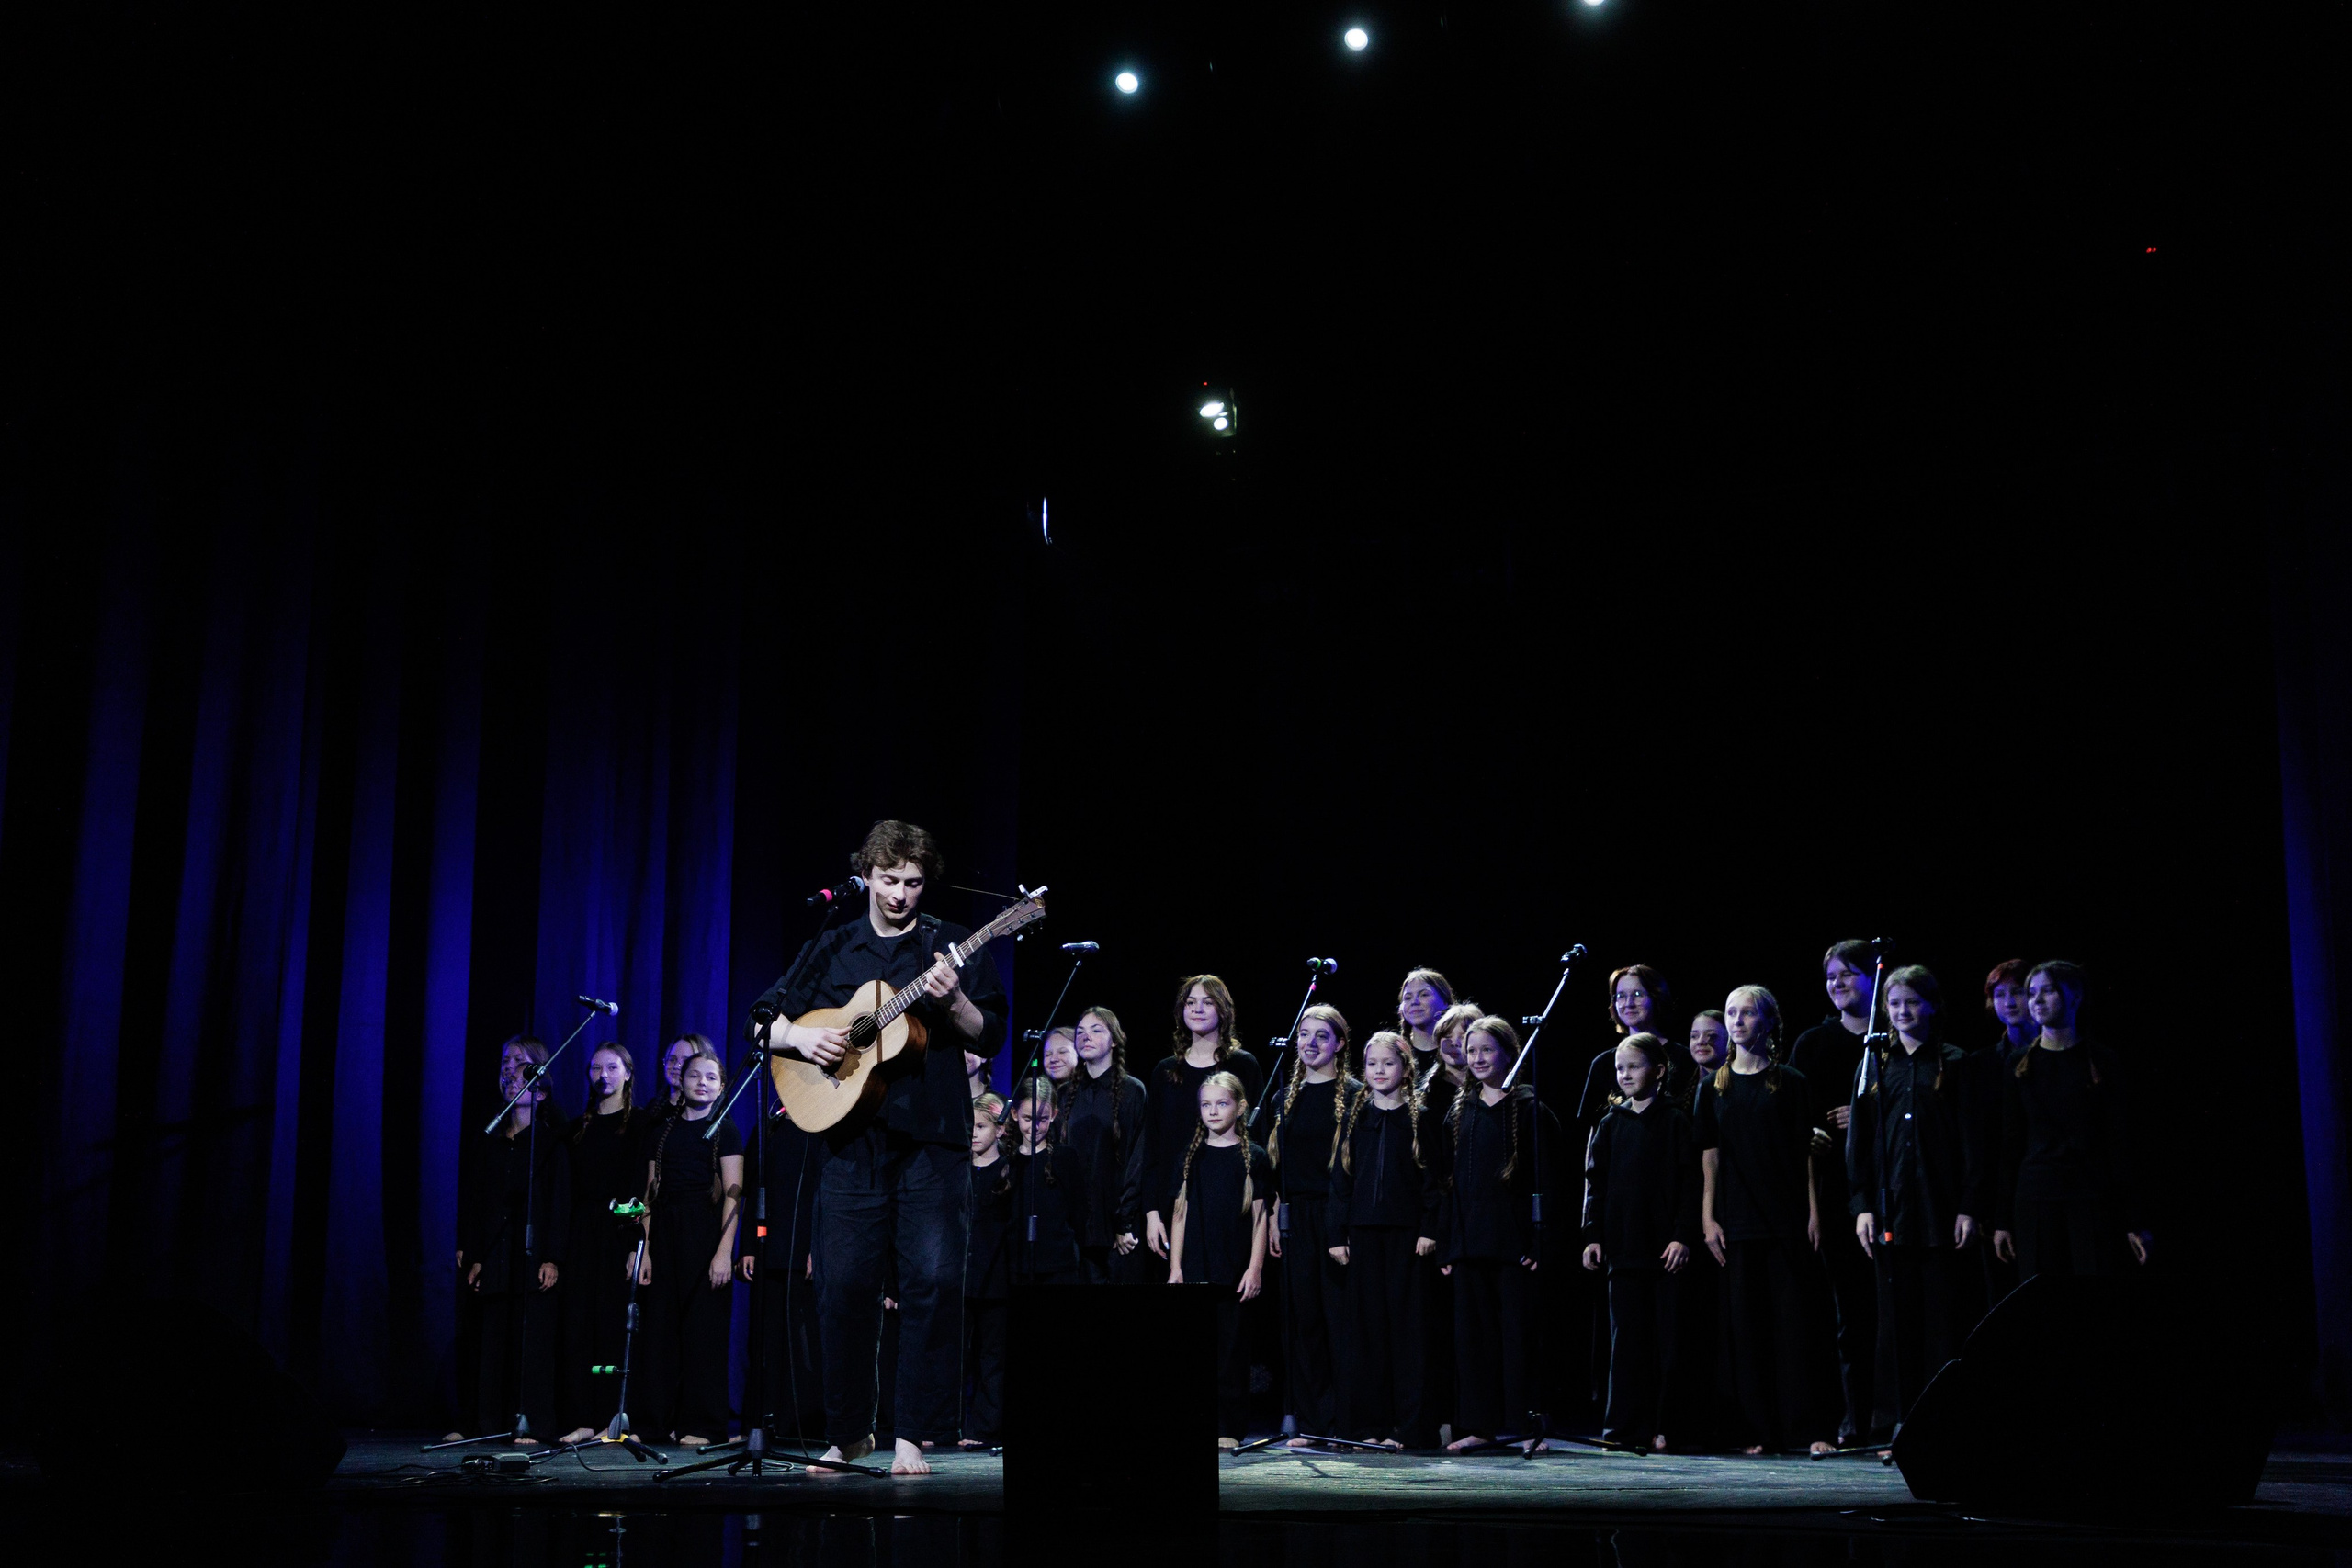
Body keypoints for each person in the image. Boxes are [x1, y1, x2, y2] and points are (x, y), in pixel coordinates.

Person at [752, 819, 1010, 1477]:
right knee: (843, 1286)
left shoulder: (949, 943)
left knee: (930, 1282)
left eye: (913, 882)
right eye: (889, 879)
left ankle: (914, 1435)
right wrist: (802, 1041)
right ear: (866, 874)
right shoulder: (833, 944)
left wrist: (953, 1005)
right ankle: (849, 1431)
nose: (900, 893)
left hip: (933, 1141)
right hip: (847, 1139)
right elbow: (765, 1018)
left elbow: (989, 1035)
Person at [1699, 986, 1835, 1456]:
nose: (1736, 1021)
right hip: (1737, 1221)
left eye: (1747, 1013)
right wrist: (1708, 1217)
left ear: (1769, 1021)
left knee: (1795, 1326)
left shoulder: (1791, 1081)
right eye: (1731, 1012)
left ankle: (1808, 1427)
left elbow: (1806, 1154)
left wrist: (1815, 1211)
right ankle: (1759, 1431)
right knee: (1748, 1330)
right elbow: (1709, 1155)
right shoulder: (1713, 1085)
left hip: (1786, 1219)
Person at [1848, 966, 1980, 1440]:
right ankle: (1894, 1421)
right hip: (1891, 1210)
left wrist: (1968, 1205)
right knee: (1894, 1320)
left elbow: (1971, 1142)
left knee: (1941, 1318)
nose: (1904, 1012)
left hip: (1940, 1210)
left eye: (1913, 1003)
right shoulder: (1875, 1065)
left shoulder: (1956, 1063)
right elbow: (1860, 1143)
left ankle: (1941, 1422)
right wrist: (1862, 1204)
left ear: (1932, 1005)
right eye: (1896, 1004)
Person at [1437, 1016, 1559, 1454]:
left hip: (1513, 1247)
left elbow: (1550, 1183)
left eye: (1487, 1050)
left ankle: (1527, 1425)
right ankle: (1480, 1426)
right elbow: (1447, 1183)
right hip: (1470, 1244)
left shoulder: (1529, 1108)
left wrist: (1537, 1242)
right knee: (1473, 1342)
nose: (1478, 1058)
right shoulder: (1459, 1111)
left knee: (1518, 1339)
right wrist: (1449, 1242)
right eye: (1472, 1052)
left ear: (1509, 1052)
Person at [1991, 961, 2150, 1280]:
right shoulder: (2019, 1063)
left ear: (2074, 996)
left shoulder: (2103, 1061)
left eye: (2047, 991)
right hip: (2036, 1198)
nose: (2036, 1001)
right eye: (2031, 993)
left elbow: (2119, 1141)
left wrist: (2134, 1219)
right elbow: (2010, 1143)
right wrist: (2002, 1219)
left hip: (2090, 1199)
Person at [1581, 1032, 1701, 1452]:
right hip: (1624, 1249)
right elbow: (1595, 1185)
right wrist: (1593, 1236)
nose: (1625, 1074)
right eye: (1620, 1068)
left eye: (1634, 1066)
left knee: (1667, 1343)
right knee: (1626, 1342)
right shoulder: (1612, 1125)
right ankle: (1623, 1429)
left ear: (1659, 1071)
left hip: (1665, 1250)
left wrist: (1682, 1236)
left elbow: (1692, 1183)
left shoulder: (1675, 1121)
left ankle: (1668, 1425)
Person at [1329, 1032, 1442, 1449]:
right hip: (1362, 1236)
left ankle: (1410, 1428)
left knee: (1408, 1334)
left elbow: (1433, 1181)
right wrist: (1336, 1232)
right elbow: (1341, 1180)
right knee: (1368, 1334)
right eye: (1372, 1064)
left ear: (1405, 1068)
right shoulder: (1356, 1118)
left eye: (1388, 1064)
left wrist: (1430, 1228)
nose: (1378, 1071)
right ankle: (1367, 1427)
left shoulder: (1420, 1117)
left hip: (1407, 1238)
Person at [1787, 940, 1878, 1447]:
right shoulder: (1814, 1044)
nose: (1838, 984)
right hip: (1830, 1191)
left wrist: (1862, 1116)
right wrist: (1812, 1134)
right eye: (1831, 977)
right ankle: (1844, 1418)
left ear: (1872, 979)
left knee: (1882, 1311)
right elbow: (1794, 1119)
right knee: (1840, 1314)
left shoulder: (1888, 1043)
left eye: (1848, 975)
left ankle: (1886, 1417)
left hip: (1884, 1191)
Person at [462, 1035, 571, 1443]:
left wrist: (553, 1257)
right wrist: (474, 1254)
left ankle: (532, 1421)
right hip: (495, 1253)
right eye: (506, 1063)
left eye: (520, 1064)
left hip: (533, 1254)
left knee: (533, 1343)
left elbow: (559, 1205)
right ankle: (486, 1424)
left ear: (540, 1089)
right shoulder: (492, 1138)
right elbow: (477, 1201)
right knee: (490, 1343)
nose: (510, 1071)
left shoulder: (549, 1142)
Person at [636, 1042, 743, 1447]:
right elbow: (650, 1193)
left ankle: (703, 1423)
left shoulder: (727, 1130)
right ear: (680, 1080)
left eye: (711, 1077)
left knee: (704, 1334)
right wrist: (644, 1248)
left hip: (705, 1234)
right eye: (695, 1075)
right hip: (665, 1233)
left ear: (721, 1087)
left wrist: (722, 1252)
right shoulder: (662, 1130)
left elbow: (734, 1194)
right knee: (658, 1333)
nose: (702, 1082)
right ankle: (654, 1421)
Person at [1167, 1069, 1273, 1450]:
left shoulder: (1255, 1159)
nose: (1213, 1111)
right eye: (1206, 1105)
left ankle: (1229, 1425)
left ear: (1240, 1107)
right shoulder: (1190, 1156)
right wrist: (1175, 1267)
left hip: (1234, 1267)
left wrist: (1255, 1268)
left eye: (1222, 1104)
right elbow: (1179, 1212)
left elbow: (1261, 1217)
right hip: (1196, 1265)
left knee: (1231, 1351)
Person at [1268, 1003, 1358, 1446]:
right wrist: (1273, 1216)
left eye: (1322, 1036)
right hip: (1295, 1218)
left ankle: (1346, 1420)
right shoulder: (1284, 1094)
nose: (1310, 1043)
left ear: (1340, 1043)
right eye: (1304, 1034)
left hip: (1336, 1215)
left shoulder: (1356, 1094)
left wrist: (1342, 1226)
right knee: (1303, 1321)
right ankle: (1310, 1420)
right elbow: (1280, 1169)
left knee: (1339, 1319)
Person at [1139, 976, 1265, 1278]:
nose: (1197, 1009)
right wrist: (1152, 1212)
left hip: (1231, 1205)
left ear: (1223, 1010)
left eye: (1208, 1002)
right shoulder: (1165, 1071)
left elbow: (1257, 1138)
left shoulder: (1243, 1066)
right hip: (1176, 1205)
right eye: (1190, 1003)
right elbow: (1153, 1146)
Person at [559, 1043, 647, 1445]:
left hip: (620, 1228)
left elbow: (642, 1187)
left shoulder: (640, 1126)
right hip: (582, 1231)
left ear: (628, 1073)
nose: (603, 1074)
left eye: (612, 1067)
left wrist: (634, 1240)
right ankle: (581, 1415)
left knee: (613, 1324)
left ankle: (613, 1416)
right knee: (579, 1324)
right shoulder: (578, 1127)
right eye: (596, 1067)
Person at [1057, 1006, 1148, 1284]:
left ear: (1115, 1040)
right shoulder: (1065, 1093)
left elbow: (1137, 1158)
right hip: (1075, 1230)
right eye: (1081, 1032)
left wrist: (1125, 1222)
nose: (1086, 1037)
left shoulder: (1133, 1090)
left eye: (1097, 1031)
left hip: (1117, 1229)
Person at [961, 1091, 1012, 1449]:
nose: (974, 1133)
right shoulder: (958, 1171)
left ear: (999, 1129)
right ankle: (942, 1425)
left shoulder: (1007, 1172)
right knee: (957, 1354)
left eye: (981, 1126)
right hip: (961, 1278)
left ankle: (983, 1428)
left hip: (995, 1279)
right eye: (971, 1127)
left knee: (992, 1357)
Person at [1008, 1074, 1086, 1283]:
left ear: (1053, 1115)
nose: (1034, 1127)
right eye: (1027, 1119)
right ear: (1014, 1113)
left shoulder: (1064, 1158)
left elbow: (1079, 1213)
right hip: (1016, 1266)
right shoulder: (1008, 1161)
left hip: (1058, 1267)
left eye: (1042, 1120)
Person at [1578, 966, 1674, 1125]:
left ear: (1656, 997)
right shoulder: (1603, 1064)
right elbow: (1590, 1129)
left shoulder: (1683, 1058)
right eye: (1621, 996)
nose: (1628, 1004)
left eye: (1637, 995)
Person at [1396, 967, 1459, 1087]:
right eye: (1408, 998)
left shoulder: (1459, 1051)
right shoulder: (1395, 1053)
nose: (1414, 1002)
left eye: (1424, 995)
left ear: (1445, 1002)